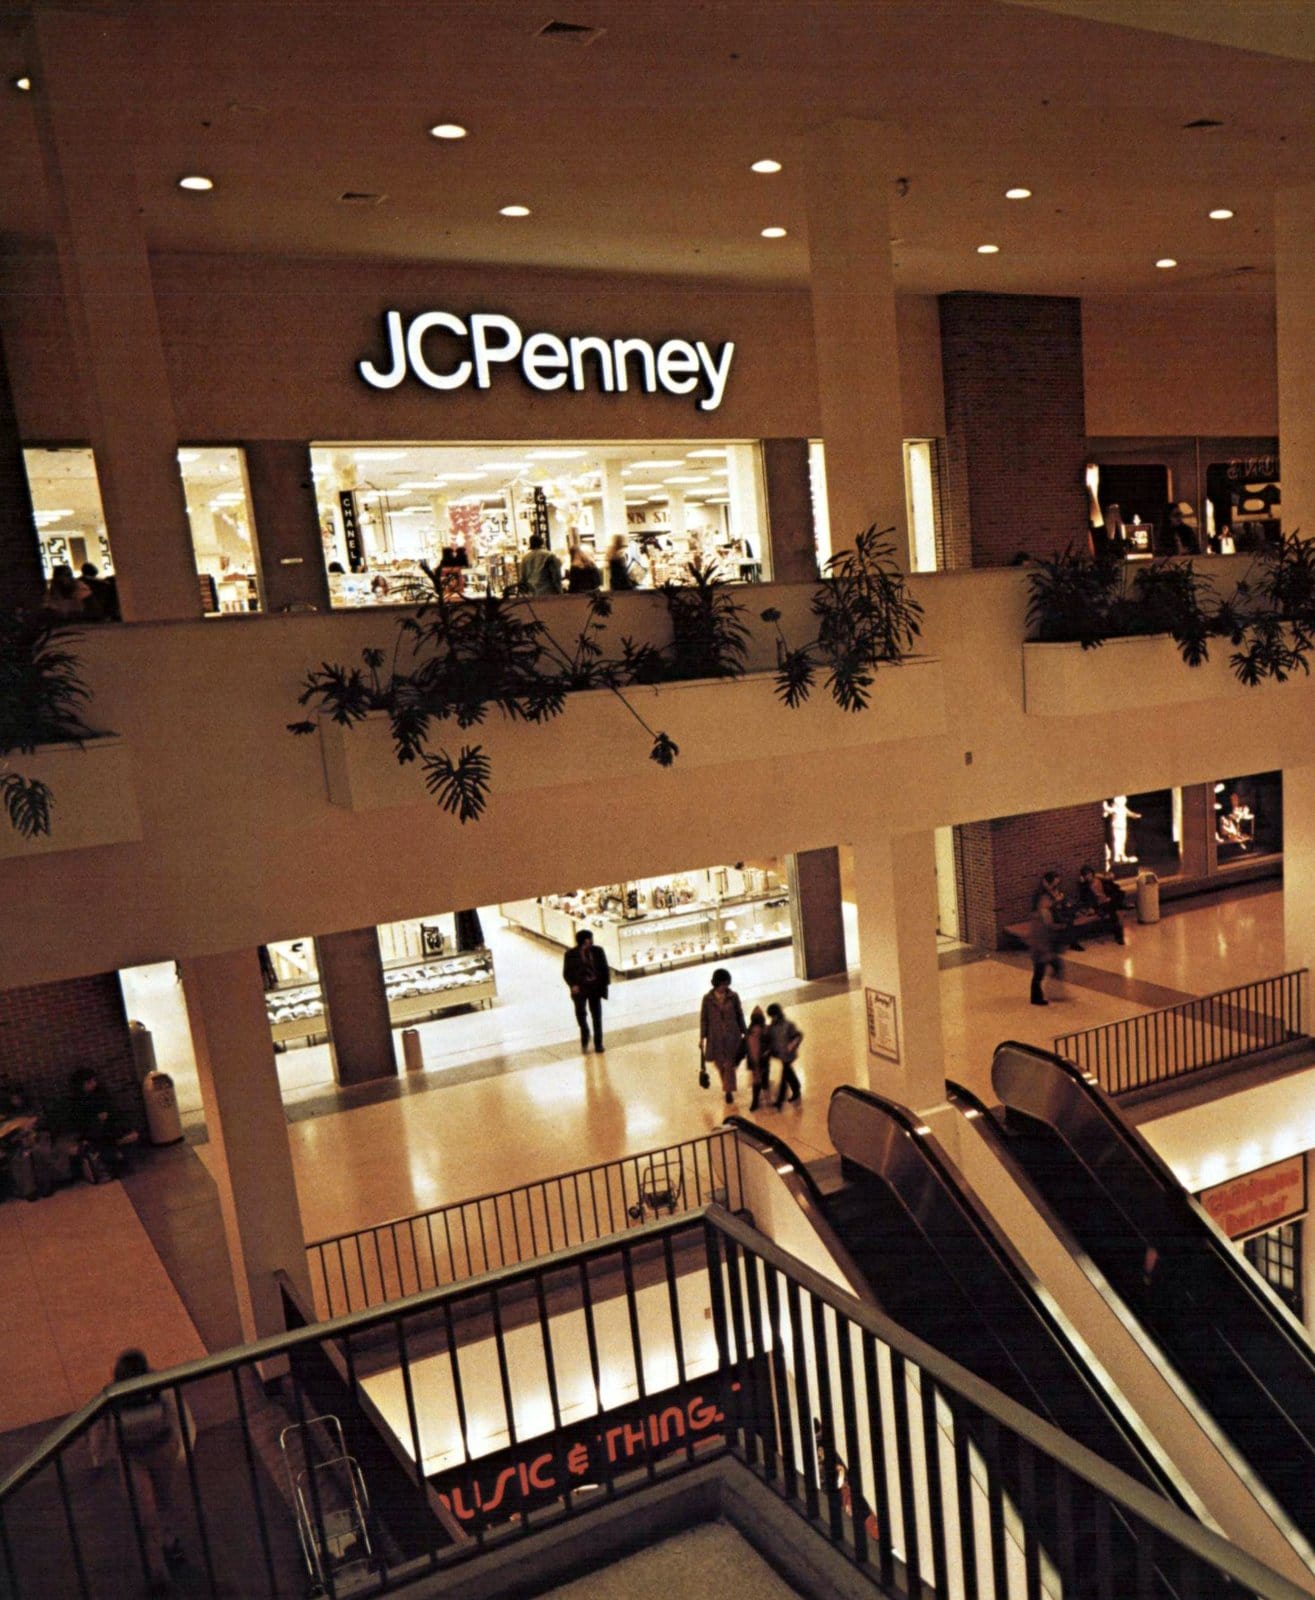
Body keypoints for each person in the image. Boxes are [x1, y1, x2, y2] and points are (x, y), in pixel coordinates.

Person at [110, 1348, 194, 1593]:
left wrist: (182, 1448)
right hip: (134, 1458)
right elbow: (103, 1429)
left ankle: (170, 1541)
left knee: (166, 1502)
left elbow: (179, 1414)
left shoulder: (159, 1387)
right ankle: (158, 1570)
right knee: (147, 1514)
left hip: (161, 1450)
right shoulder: (116, 1395)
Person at [66, 1067, 139, 1181]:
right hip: (91, 1129)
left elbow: (111, 1109)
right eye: (89, 1082)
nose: (93, 1084)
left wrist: (105, 1116)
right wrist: (97, 1119)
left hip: (106, 1126)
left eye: (93, 1081)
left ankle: (114, 1162)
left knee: (107, 1132)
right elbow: (80, 1121)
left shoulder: (100, 1093)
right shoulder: (77, 1101)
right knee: (101, 1135)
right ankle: (115, 1161)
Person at [700, 968, 747, 1105]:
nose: (725, 987)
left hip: (732, 1035)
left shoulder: (733, 996)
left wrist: (745, 1031)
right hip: (715, 1038)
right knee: (720, 1065)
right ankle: (727, 1086)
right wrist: (702, 1037)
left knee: (730, 1064)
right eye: (722, 984)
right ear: (716, 983)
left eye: (727, 984)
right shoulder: (707, 999)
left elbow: (740, 1014)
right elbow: (704, 1019)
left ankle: (728, 1091)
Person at [562, 929, 610, 1052]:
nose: (592, 940)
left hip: (594, 987)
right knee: (581, 1014)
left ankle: (598, 1043)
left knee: (597, 1016)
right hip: (580, 988)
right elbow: (567, 973)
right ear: (586, 940)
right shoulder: (570, 954)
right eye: (590, 938)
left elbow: (604, 968)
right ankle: (585, 1032)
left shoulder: (598, 951)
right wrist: (573, 985)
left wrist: (604, 984)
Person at [1028, 883, 1063, 1006]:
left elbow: (1048, 928)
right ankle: (1036, 998)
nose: (1048, 901)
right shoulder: (1038, 916)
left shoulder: (1046, 913)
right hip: (1040, 951)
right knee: (1038, 974)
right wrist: (1044, 951)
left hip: (1045, 949)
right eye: (1046, 899)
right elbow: (1039, 935)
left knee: (1054, 967)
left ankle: (1049, 991)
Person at [1077, 864, 1126, 944]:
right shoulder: (1085, 887)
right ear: (1083, 877)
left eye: (1089, 874)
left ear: (1092, 874)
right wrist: (1082, 884)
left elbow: (1113, 885)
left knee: (1114, 904)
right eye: (1085, 875)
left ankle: (1119, 937)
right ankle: (1119, 937)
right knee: (1113, 912)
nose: (1088, 877)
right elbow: (1084, 899)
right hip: (1099, 905)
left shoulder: (1100, 880)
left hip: (1108, 900)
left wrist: (1109, 897)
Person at [1037, 870, 1085, 950]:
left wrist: (1065, 902)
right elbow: (1048, 905)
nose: (1057, 882)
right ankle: (1073, 943)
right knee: (1068, 921)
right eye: (1056, 880)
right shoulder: (1046, 891)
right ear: (1051, 881)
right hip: (1053, 912)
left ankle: (1076, 914)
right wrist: (1057, 900)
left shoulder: (1056, 889)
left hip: (1061, 910)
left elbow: (1062, 898)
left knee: (1072, 911)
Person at [766, 1002, 802, 1107]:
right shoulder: (772, 1026)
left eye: (773, 1015)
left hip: (788, 1054)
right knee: (789, 1073)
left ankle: (780, 1100)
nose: (773, 1018)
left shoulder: (788, 1025)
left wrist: (792, 1045)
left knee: (784, 1076)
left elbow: (798, 1036)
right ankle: (796, 1088)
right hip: (781, 1054)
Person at [745, 1004, 770, 1112]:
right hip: (761, 1060)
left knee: (757, 1079)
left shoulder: (749, 1031)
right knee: (760, 1078)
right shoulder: (765, 1029)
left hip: (755, 1060)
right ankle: (758, 1099)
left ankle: (755, 1102)